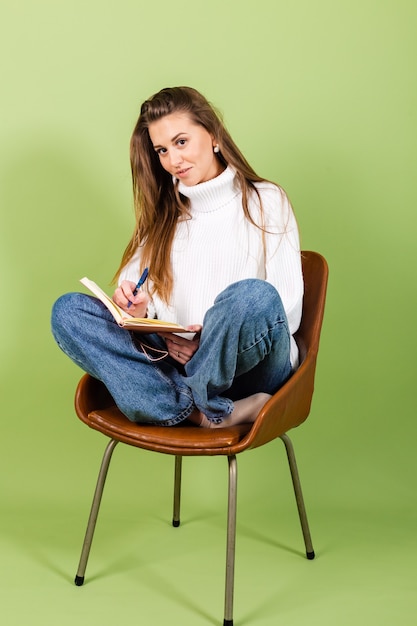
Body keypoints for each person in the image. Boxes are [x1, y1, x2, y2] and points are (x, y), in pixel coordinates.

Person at [51, 86, 303, 428]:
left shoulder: (265, 200)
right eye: (162, 150)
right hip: (176, 361)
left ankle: (165, 399)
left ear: (213, 136)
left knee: (252, 296)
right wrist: (137, 309)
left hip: (250, 369)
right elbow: (134, 302)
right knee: (68, 311)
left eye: (181, 142)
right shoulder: (164, 213)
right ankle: (203, 412)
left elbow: (285, 310)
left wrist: (210, 344)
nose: (173, 160)